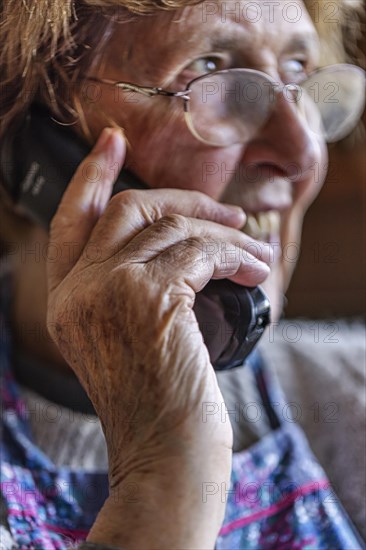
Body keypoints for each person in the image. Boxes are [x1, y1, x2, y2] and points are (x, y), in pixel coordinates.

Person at [0, 0, 365, 548]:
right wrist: (164, 473)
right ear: (35, 148)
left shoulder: (349, 393)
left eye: (298, 74)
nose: (300, 152)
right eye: (212, 70)